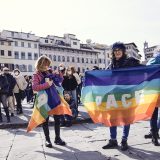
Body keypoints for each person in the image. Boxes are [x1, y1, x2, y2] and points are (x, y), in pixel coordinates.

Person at [102, 42, 141, 151]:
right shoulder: (111, 64)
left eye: (119, 49)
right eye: (115, 50)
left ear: (123, 51)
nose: (117, 51)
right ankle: (113, 140)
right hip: (114, 95)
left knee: (126, 118)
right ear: (113, 52)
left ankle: (124, 140)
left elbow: (143, 69)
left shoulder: (131, 62)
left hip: (127, 94)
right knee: (112, 118)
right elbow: (104, 76)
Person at [32, 55, 66, 148]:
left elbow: (59, 81)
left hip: (54, 96)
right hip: (43, 99)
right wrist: (47, 84)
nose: (48, 66)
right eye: (46, 64)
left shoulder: (50, 71)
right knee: (45, 119)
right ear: (41, 64)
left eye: (48, 64)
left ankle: (57, 138)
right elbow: (35, 87)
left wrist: (60, 72)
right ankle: (47, 140)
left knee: (57, 118)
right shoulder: (36, 74)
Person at [144, 50, 160, 146]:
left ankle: (154, 135)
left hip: (152, 90)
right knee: (154, 114)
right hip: (154, 90)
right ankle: (154, 133)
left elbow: (146, 74)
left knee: (154, 114)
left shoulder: (151, 61)